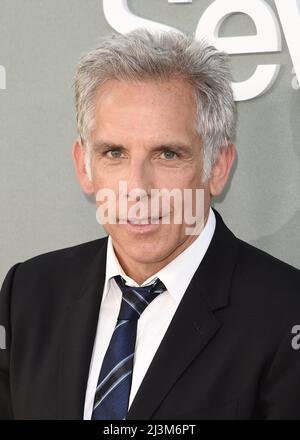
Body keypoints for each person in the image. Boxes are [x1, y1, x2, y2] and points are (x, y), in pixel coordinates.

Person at [0, 29, 299, 420]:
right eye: (114, 152)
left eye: (168, 154)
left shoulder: (286, 311)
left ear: (218, 166)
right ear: (84, 166)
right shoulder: (27, 292)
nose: (137, 189)